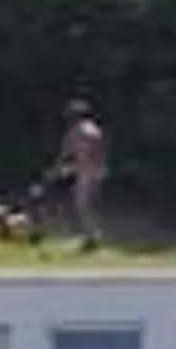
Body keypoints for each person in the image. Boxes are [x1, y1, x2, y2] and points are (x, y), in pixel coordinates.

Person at [52, 99, 109, 251]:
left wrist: (62, 169)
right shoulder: (94, 129)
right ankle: (91, 236)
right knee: (90, 205)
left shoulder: (76, 131)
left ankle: (91, 239)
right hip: (99, 170)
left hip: (87, 171)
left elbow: (70, 154)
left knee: (82, 205)